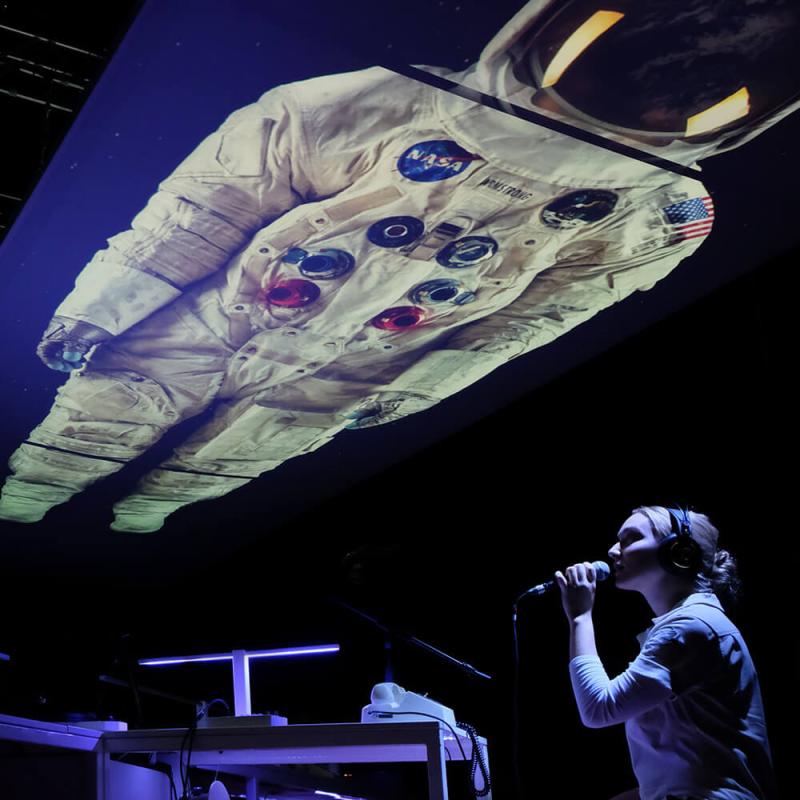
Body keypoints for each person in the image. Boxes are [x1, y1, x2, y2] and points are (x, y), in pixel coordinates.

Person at [2, 1, 799, 532]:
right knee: (83, 436)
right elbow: (205, 212)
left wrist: (409, 393)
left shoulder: (658, 209)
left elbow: (528, 324)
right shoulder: (382, 105)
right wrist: (99, 313)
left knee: (206, 475)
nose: (652, 100)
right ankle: (27, 516)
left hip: (352, 369)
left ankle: (138, 525)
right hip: (223, 314)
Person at [555, 506, 776, 800]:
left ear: (679, 552)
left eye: (631, 539)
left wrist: (580, 616)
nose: (612, 550)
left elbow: (599, 708)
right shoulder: (691, 622)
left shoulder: (691, 625)